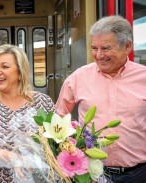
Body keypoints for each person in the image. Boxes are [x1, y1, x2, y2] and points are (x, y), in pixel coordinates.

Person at [55, 15, 146, 183]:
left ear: (127, 46)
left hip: (138, 174)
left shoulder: (144, 77)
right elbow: (57, 119)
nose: (98, 55)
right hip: (91, 174)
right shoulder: (78, 78)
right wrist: (70, 150)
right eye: (94, 48)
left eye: (105, 48)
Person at [0, 44, 56, 182]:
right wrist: (14, 158)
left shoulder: (42, 102)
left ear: (20, 72)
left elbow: (56, 141)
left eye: (5, 66)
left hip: (37, 178)